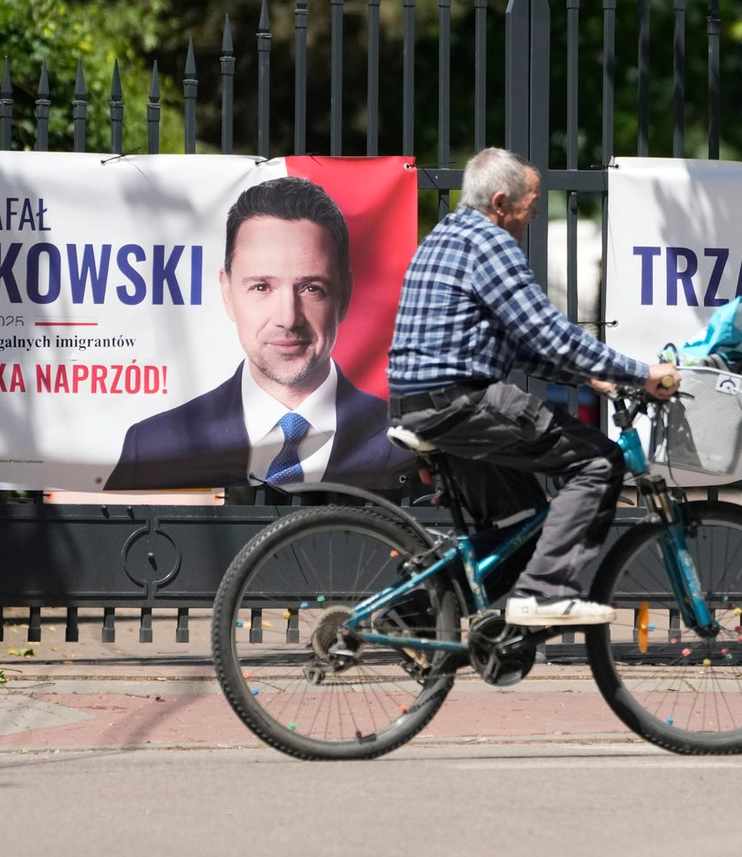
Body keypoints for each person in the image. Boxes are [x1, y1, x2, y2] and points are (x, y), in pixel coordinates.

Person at [387, 147, 678, 626]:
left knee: (523, 532)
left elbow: (516, 348)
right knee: (600, 460)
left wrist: (589, 377)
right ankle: (543, 595)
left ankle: (408, 609)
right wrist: (640, 373)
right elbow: (549, 333)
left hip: (423, 402)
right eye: (531, 206)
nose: (534, 216)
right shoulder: (490, 242)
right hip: (461, 401)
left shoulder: (445, 236)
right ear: (501, 202)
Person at [106, 176, 411, 493]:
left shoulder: (408, 449)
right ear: (228, 293)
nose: (287, 318)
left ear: (344, 296)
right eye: (262, 287)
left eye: (310, 288)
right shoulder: (155, 447)